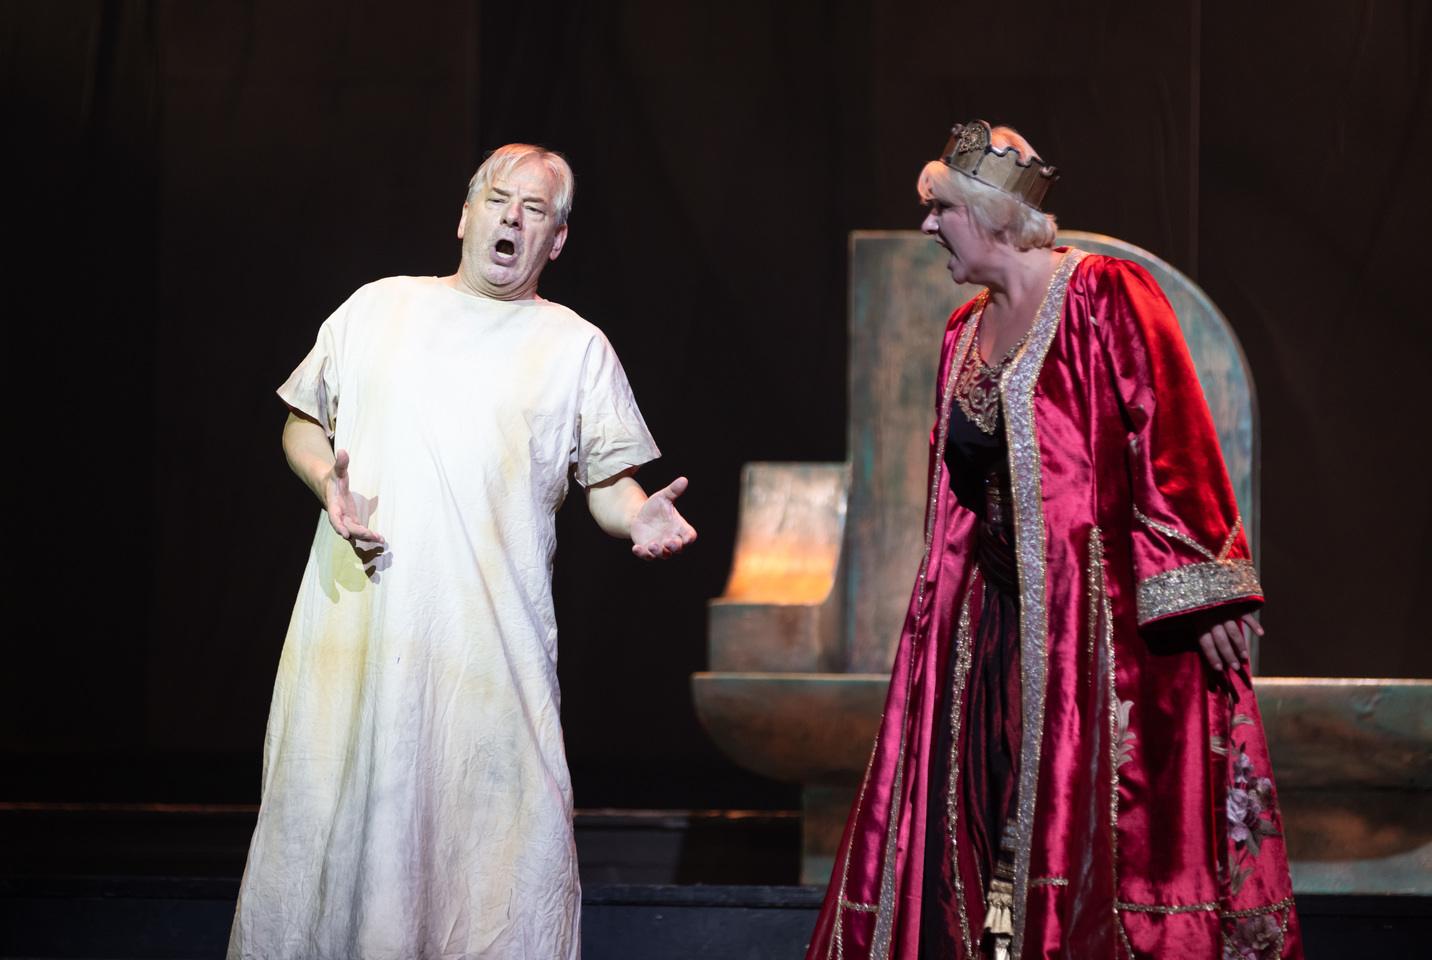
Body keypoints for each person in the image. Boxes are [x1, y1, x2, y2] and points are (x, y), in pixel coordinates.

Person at [806, 122, 1301, 960]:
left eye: (940, 211)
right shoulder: (961, 332)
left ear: (988, 216)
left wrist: (1205, 586)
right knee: (981, 825)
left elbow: (1172, 434)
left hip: (1093, 631)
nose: (927, 227)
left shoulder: (1106, 294)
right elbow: (956, 501)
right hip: (990, 627)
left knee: (1092, 833)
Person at [227, 143, 696, 960]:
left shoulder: (574, 346)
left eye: (535, 209)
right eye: (498, 199)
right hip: (358, 637)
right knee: (333, 843)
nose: (512, 218)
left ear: (557, 240)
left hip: (485, 658)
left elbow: (609, 483)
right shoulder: (378, 308)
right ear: (464, 215)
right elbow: (303, 422)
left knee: (489, 864)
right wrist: (326, 482)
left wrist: (636, 516)